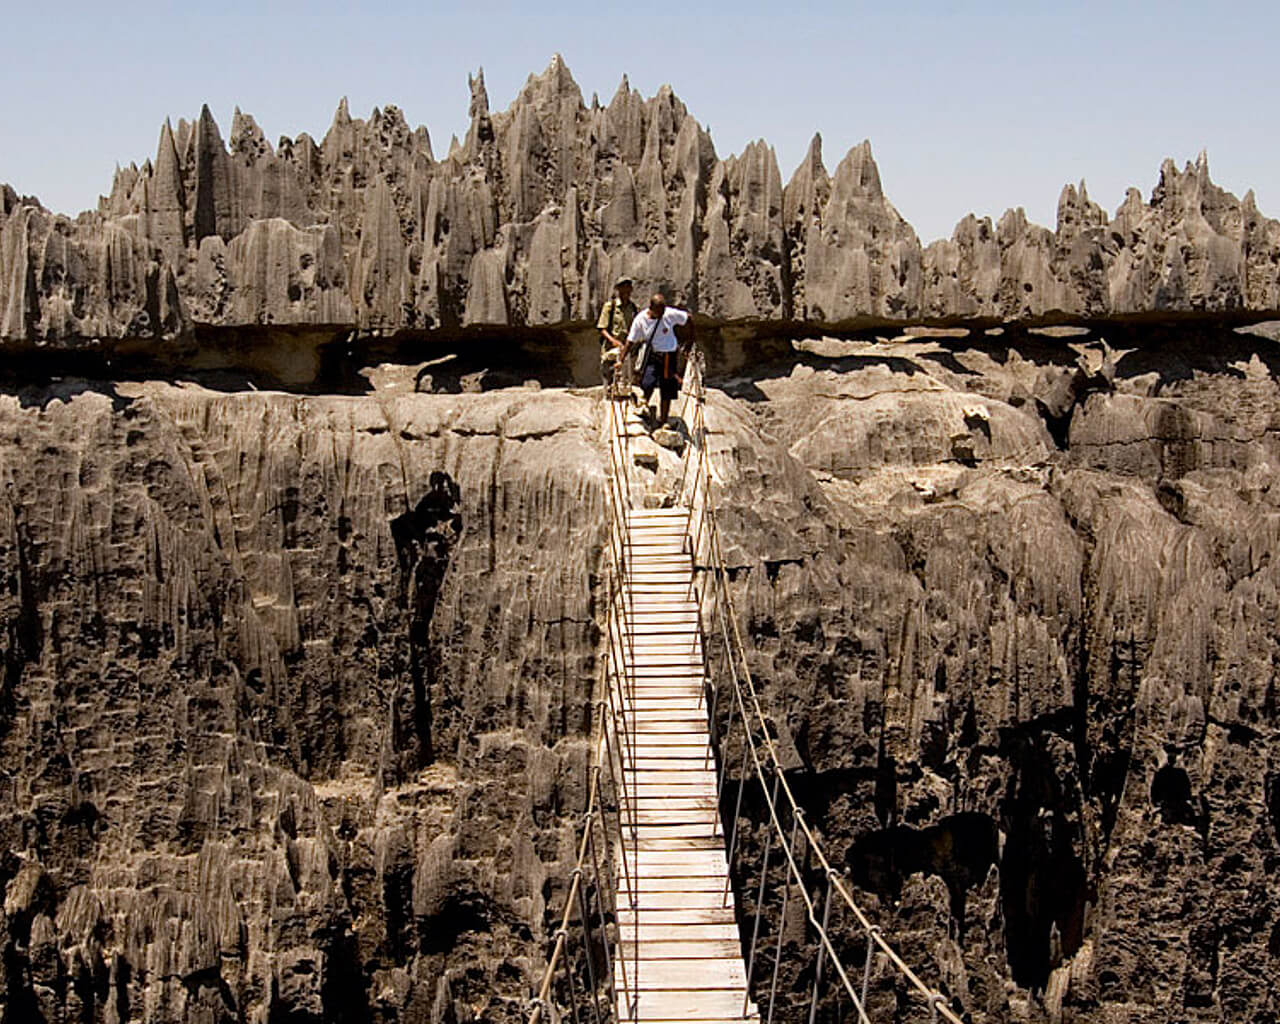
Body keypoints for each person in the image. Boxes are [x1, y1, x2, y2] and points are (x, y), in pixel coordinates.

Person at [627, 292, 693, 428]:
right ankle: (643, 408)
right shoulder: (640, 319)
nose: (663, 313)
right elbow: (630, 341)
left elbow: (688, 318)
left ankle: (663, 420)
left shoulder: (669, 314)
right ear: (651, 308)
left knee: (667, 388)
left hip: (669, 354)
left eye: (663, 309)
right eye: (660, 310)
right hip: (653, 355)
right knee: (647, 382)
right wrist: (620, 360)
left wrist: (690, 341)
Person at [596, 276, 638, 395]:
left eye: (628, 287)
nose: (626, 290)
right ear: (618, 289)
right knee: (609, 380)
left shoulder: (633, 308)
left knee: (625, 381)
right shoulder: (610, 306)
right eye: (622, 287)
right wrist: (614, 341)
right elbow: (602, 328)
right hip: (611, 349)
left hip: (626, 349)